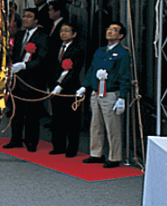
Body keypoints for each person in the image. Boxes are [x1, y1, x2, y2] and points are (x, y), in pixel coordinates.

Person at [79, 22, 131, 169]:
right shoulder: (100, 51)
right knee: (96, 124)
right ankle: (96, 153)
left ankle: (114, 157)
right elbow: (91, 70)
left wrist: (122, 97)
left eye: (114, 30)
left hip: (110, 93)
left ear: (120, 36)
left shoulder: (122, 53)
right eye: (109, 29)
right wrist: (84, 86)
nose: (110, 32)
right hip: (96, 92)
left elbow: (124, 76)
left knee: (112, 126)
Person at [6, 8, 49, 152]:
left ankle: (31, 141)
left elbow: (42, 59)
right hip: (17, 80)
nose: (25, 19)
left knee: (32, 114)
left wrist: (24, 65)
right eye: (24, 16)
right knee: (16, 111)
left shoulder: (42, 37)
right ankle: (15, 139)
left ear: (36, 20)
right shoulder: (19, 35)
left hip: (33, 80)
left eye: (29, 17)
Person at [48, 21, 85, 157]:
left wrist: (61, 85)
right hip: (54, 88)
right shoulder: (56, 47)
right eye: (62, 30)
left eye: (67, 31)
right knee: (57, 118)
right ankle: (58, 146)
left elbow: (74, 71)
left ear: (74, 34)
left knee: (71, 121)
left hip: (70, 89)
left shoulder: (77, 49)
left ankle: (72, 148)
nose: (63, 33)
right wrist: (52, 85)